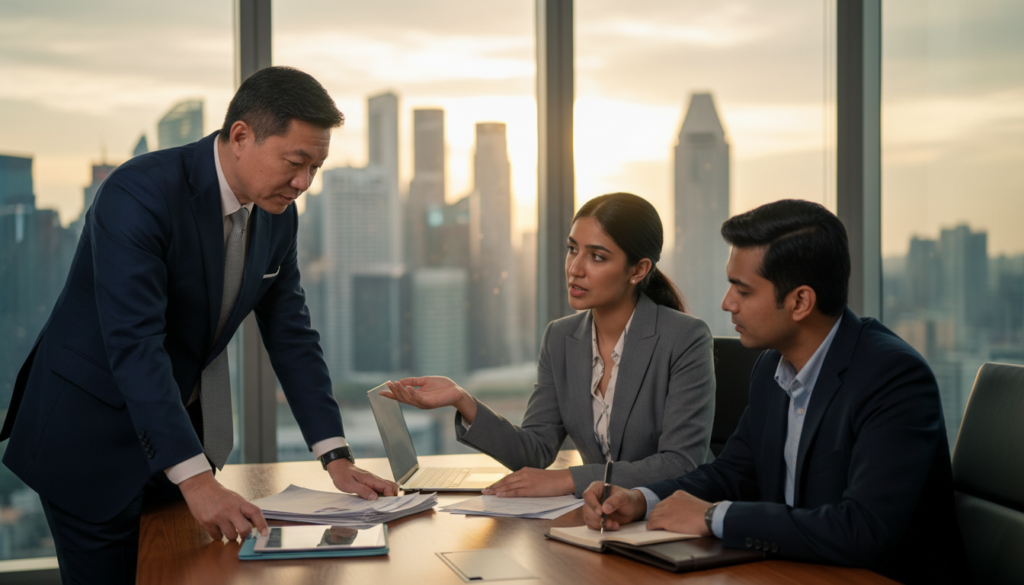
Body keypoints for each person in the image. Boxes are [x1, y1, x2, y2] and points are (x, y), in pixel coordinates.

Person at [0, 66, 399, 583]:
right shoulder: (138, 193)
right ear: (240, 137)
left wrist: (335, 457)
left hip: (175, 441)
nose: (303, 183)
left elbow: (291, 334)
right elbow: (135, 344)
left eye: (315, 168)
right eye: (295, 162)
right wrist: (196, 481)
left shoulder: (279, 214)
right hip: (89, 440)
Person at [581, 199, 968, 584]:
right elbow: (732, 473)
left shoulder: (893, 378)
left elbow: (863, 531)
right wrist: (641, 499)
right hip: (790, 572)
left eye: (743, 291)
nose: (727, 303)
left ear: (800, 301)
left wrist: (713, 517)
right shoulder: (772, 367)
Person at [384, 192, 715, 498]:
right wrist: (461, 399)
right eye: (573, 249)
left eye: (597, 257)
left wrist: (567, 479)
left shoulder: (685, 338)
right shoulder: (561, 338)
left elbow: (680, 464)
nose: (574, 269)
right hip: (598, 522)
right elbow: (535, 450)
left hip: (670, 516)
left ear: (638, 270)